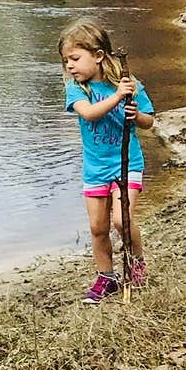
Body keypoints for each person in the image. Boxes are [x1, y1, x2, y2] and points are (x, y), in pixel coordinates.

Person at [58, 20, 157, 304]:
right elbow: (89, 114)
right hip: (95, 169)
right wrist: (116, 98)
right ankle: (106, 277)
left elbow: (148, 122)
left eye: (75, 59)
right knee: (98, 227)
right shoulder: (78, 90)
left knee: (121, 220)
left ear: (99, 56)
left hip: (127, 163)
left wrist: (135, 114)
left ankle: (136, 264)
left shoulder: (130, 85)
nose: (71, 67)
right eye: (66, 62)